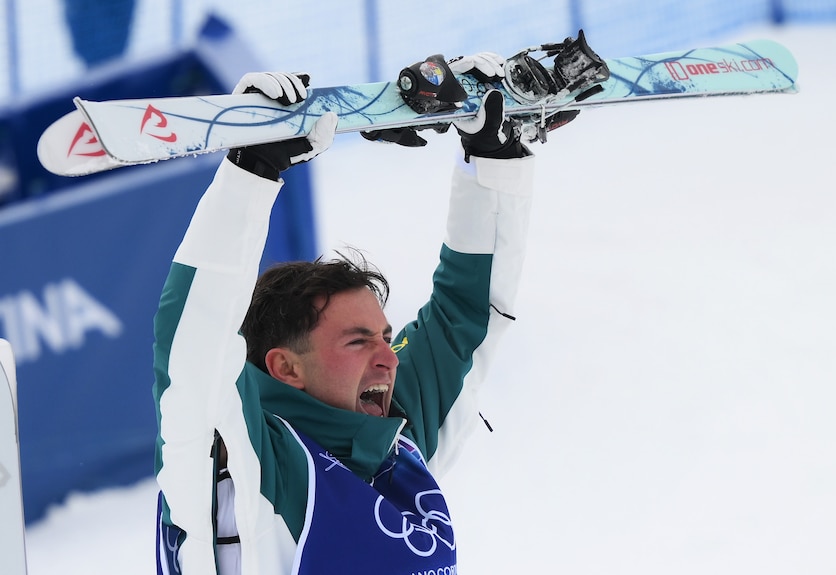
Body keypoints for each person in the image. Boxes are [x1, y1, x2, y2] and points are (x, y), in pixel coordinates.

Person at [152, 54, 568, 575]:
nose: (388, 360)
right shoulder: (242, 466)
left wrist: (493, 158)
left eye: (384, 338)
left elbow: (466, 315)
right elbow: (192, 351)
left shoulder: (390, 436)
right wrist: (250, 173)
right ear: (285, 368)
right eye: (357, 341)